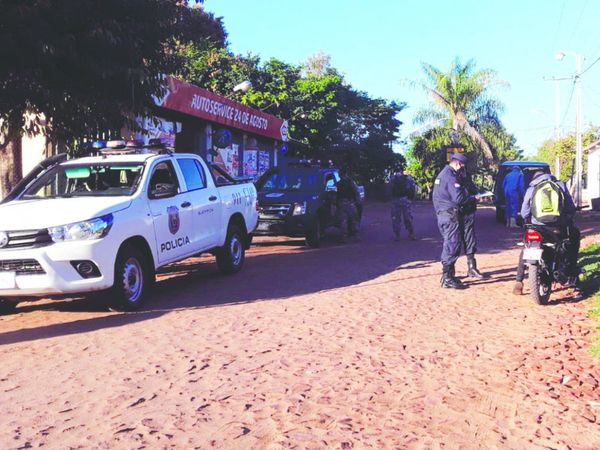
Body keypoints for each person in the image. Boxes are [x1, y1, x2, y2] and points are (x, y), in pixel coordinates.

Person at [513, 170, 581, 295]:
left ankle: (519, 281)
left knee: (526, 248)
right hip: (557, 227)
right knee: (572, 241)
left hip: (537, 227)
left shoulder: (532, 188)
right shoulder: (560, 185)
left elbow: (524, 212)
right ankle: (573, 280)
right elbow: (570, 207)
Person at [432, 153, 469, 289]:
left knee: (451, 243)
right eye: (463, 165)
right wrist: (470, 196)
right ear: (458, 163)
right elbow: (458, 198)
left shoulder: (442, 174)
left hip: (443, 214)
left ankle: (450, 275)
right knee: (452, 244)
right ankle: (447, 277)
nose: (463, 168)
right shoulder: (450, 176)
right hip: (450, 215)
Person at [458, 168, 487, 279]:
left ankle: (472, 268)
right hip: (457, 214)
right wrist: (471, 198)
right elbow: (457, 197)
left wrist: (477, 196)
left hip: (469, 213)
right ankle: (449, 272)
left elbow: (473, 190)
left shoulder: (467, 177)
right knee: (454, 242)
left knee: (470, 240)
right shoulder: (453, 177)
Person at [390, 167, 416, 241]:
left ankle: (397, 235)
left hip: (396, 200)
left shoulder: (393, 178)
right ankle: (410, 233)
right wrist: (411, 199)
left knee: (396, 218)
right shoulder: (408, 178)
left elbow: (389, 189)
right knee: (407, 217)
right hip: (404, 199)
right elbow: (413, 189)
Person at [336, 168, 360, 242]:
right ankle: (355, 236)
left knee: (343, 221)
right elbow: (356, 191)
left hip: (342, 203)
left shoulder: (338, 183)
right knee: (353, 220)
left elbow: (334, 195)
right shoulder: (350, 182)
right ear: (346, 173)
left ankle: (344, 237)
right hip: (351, 203)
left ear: (340, 175)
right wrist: (357, 201)